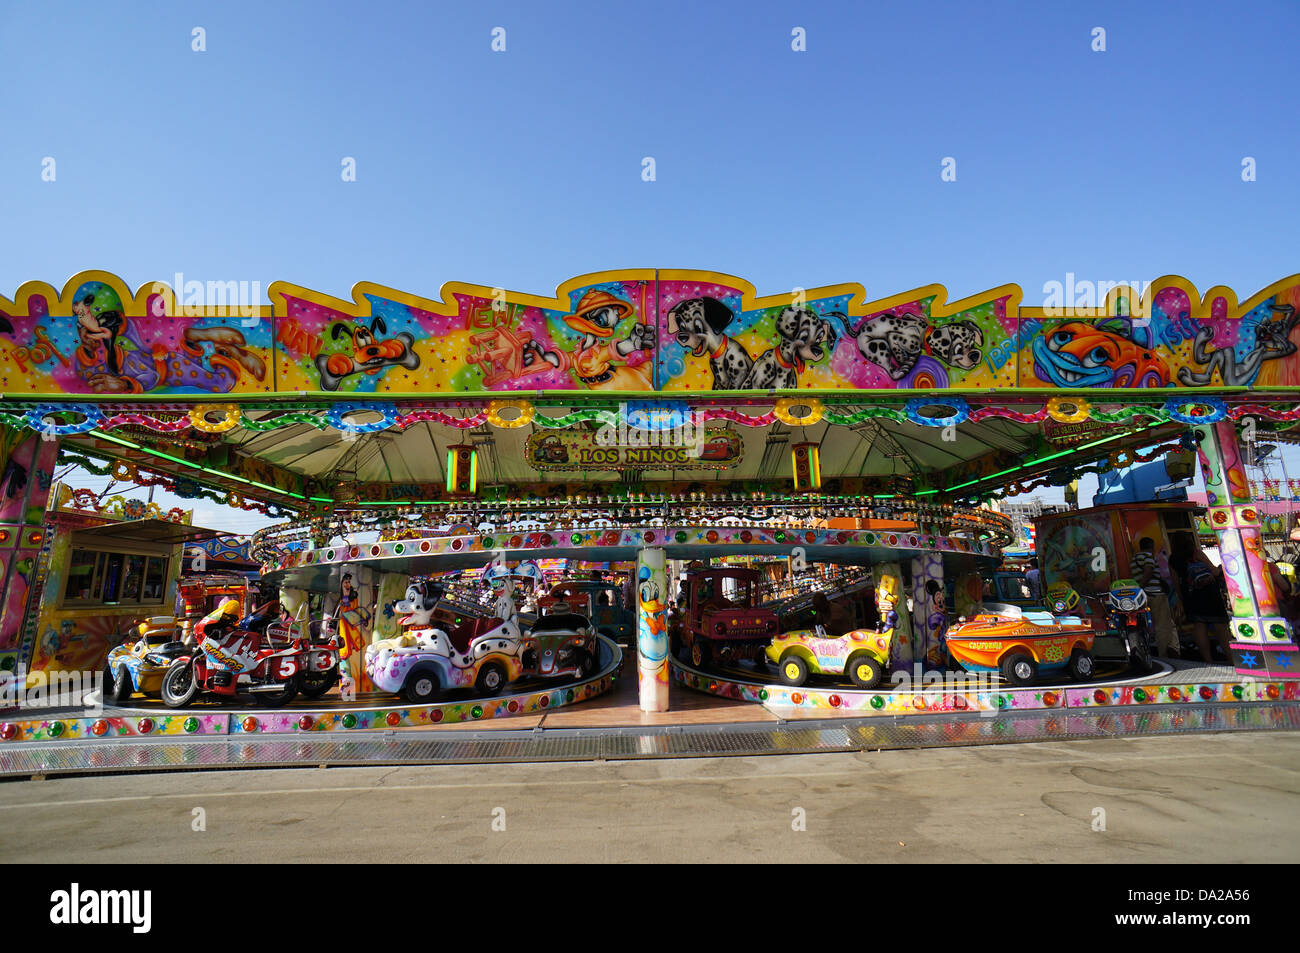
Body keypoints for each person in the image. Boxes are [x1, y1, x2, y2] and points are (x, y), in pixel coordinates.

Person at [1170, 535, 1231, 663]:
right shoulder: (1196, 553)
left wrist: (1182, 598)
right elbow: (1214, 571)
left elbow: (1175, 583)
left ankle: (1208, 660)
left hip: (1191, 596)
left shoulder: (1173, 559)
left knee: (1199, 627)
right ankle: (1232, 659)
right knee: (1220, 627)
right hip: (1210, 594)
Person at [1132, 537, 1178, 658]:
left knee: (1154, 623)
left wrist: (1139, 590)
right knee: (1162, 624)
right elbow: (1149, 571)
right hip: (1155, 593)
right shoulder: (1148, 556)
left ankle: (1171, 647)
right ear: (1151, 546)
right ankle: (1165, 653)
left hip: (1143, 596)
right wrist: (1141, 587)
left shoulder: (1134, 559)